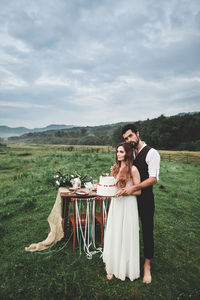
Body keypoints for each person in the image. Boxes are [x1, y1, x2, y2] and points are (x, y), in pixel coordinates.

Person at [118, 124, 160, 284]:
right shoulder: (130, 153)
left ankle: (147, 265)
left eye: (130, 136)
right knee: (129, 228)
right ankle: (128, 259)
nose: (128, 140)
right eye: (125, 138)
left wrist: (134, 187)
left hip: (146, 199)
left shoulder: (152, 153)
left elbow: (153, 179)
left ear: (137, 133)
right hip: (130, 199)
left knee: (147, 230)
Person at [103, 142, 141, 281]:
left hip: (128, 204)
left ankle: (125, 268)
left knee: (126, 234)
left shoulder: (134, 169)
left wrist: (127, 192)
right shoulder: (115, 168)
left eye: (121, 152)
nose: (118, 154)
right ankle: (112, 266)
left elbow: (139, 191)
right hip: (116, 204)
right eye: (117, 152)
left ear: (128, 153)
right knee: (115, 232)